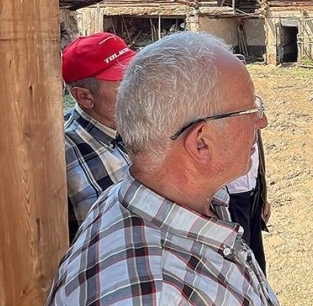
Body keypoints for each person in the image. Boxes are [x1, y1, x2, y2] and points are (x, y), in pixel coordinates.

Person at [48, 32, 279, 306]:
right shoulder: (154, 295)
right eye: (249, 111)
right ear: (201, 143)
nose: (261, 123)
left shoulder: (189, 198)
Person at [62, 32, 135, 240]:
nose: (137, 87)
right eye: (122, 83)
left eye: (135, 75)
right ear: (84, 97)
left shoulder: (146, 123)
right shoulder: (62, 153)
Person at [227, 133, 271, 274]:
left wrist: (263, 197)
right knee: (240, 264)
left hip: (253, 195)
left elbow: (257, 157)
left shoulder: (252, 115)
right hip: (230, 198)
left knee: (257, 261)